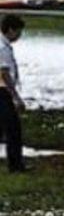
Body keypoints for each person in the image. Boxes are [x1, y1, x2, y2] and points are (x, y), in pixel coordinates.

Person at [0, 15, 27, 172]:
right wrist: (15, 96)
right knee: (13, 130)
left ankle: (15, 165)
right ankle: (15, 166)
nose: (19, 36)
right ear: (10, 30)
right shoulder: (2, 48)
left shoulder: (4, 45)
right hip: (2, 91)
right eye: (18, 32)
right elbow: (4, 73)